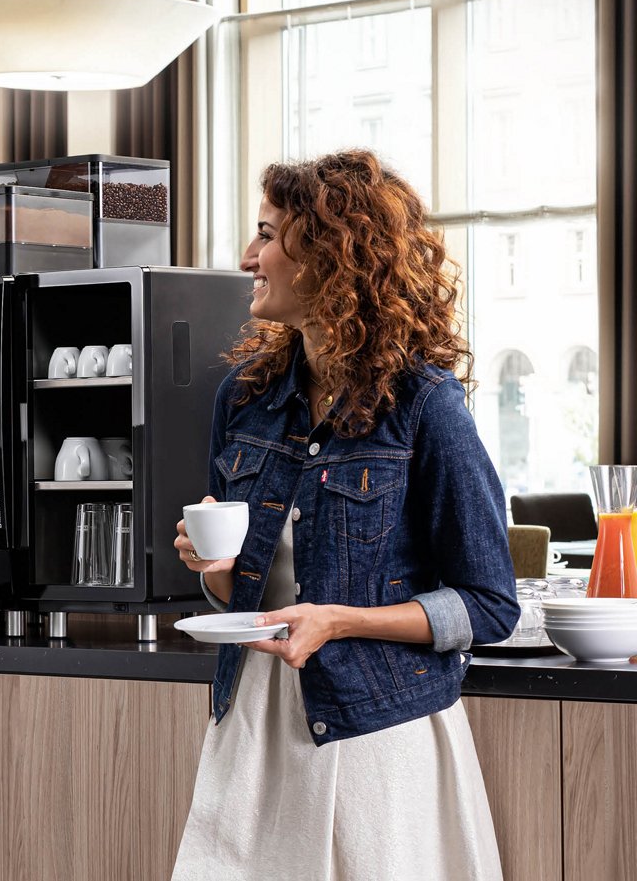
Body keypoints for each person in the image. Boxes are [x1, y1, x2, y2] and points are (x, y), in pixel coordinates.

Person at [170, 149, 519, 880]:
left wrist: (339, 621)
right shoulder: (243, 397)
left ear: (330, 258)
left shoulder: (425, 408)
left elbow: (488, 603)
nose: (248, 255)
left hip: (375, 737)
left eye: (266, 235)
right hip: (254, 728)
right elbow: (243, 594)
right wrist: (218, 570)